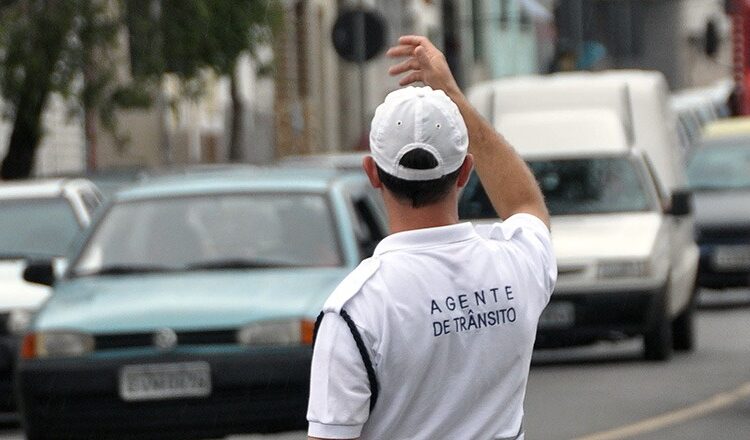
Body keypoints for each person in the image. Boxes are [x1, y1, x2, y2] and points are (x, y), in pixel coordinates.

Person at [306, 35, 557, 440]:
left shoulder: (355, 310)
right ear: (464, 172)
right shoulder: (516, 264)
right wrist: (453, 94)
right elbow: (526, 202)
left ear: (371, 173)